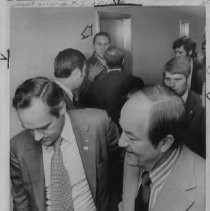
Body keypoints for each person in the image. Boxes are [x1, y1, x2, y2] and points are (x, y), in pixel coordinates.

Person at [10, 77, 122, 211]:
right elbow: (21, 203)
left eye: (44, 127)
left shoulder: (99, 124)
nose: (37, 137)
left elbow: (125, 167)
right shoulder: (18, 147)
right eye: (29, 129)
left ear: (62, 108)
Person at [118, 85, 205, 211]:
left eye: (132, 137)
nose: (121, 142)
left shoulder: (204, 191)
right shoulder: (133, 156)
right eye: (122, 130)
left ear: (165, 143)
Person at [83, 46, 144, 130]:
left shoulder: (96, 86)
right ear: (123, 61)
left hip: (107, 128)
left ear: (105, 62)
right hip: (131, 127)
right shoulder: (137, 81)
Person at [163, 56, 205, 158]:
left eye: (177, 79)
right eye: (168, 79)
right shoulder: (159, 102)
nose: (171, 84)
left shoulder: (202, 106)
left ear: (188, 79)